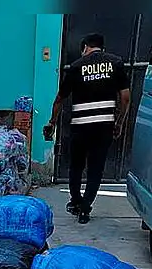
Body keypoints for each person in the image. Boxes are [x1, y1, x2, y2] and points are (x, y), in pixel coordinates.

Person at [43, 33, 131, 224]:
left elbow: (60, 98)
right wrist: (120, 122)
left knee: (76, 166)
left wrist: (52, 122)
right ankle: (85, 208)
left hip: (80, 127)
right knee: (96, 169)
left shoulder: (76, 67)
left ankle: (75, 201)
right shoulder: (115, 63)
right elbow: (125, 97)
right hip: (104, 127)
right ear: (102, 48)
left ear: (84, 48)